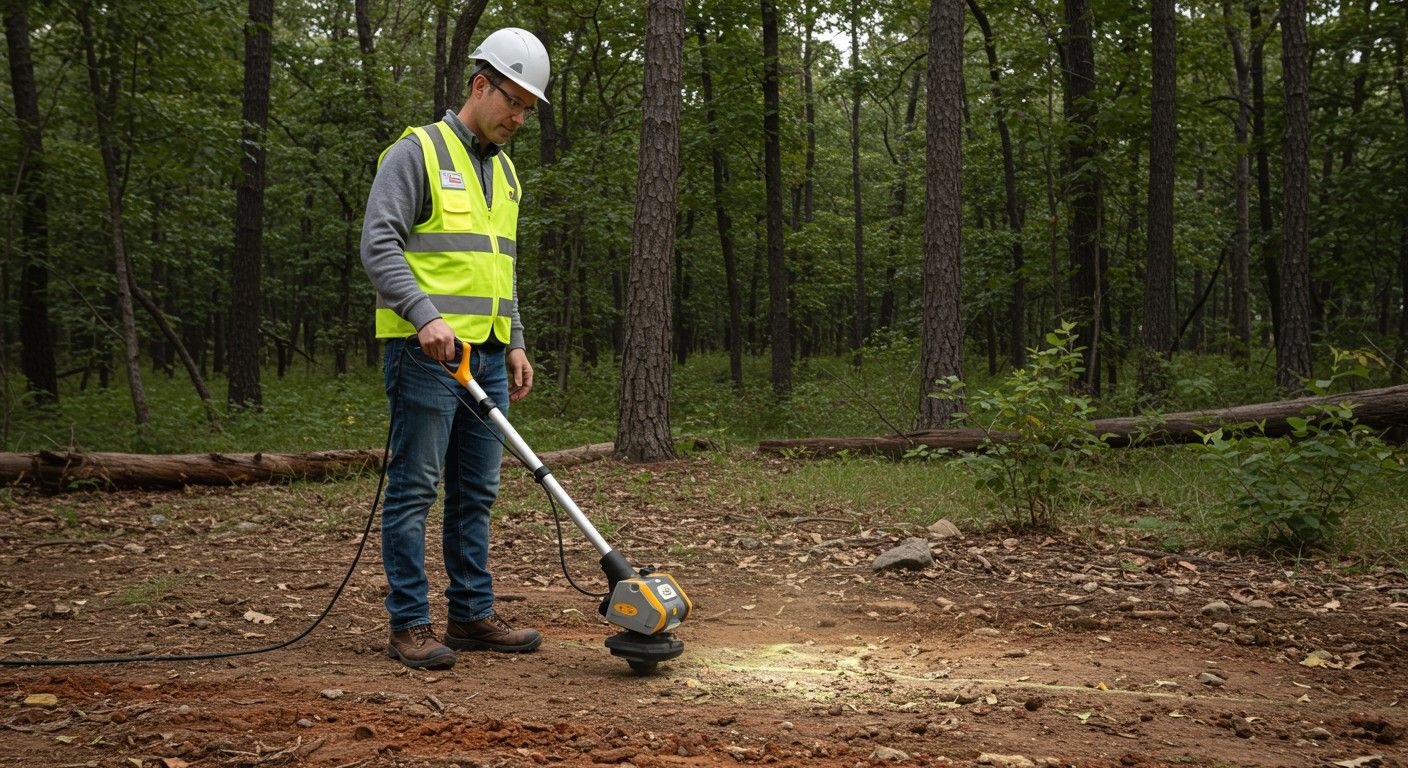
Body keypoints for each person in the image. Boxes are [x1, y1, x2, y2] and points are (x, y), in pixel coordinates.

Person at [360, 28, 550, 670]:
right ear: (479, 85)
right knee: (415, 488)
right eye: (513, 102)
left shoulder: (507, 173)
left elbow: (501, 266)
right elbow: (378, 243)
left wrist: (515, 339)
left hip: (489, 357)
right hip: (427, 356)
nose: (519, 118)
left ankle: (470, 614)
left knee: (477, 492)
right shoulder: (417, 152)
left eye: (528, 109)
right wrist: (422, 316)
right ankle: (410, 623)